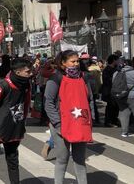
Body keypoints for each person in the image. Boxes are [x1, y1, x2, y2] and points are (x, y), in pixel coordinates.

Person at [44, 50, 94, 184]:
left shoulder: (83, 77)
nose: (76, 64)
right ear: (63, 63)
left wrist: (90, 119)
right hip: (60, 124)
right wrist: (58, 124)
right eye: (73, 61)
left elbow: (89, 99)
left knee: (79, 159)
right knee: (62, 159)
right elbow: (48, 103)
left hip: (80, 122)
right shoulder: (55, 79)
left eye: (77, 61)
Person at [0, 58, 33, 184]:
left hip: (14, 130)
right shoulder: (2, 86)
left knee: (13, 162)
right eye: (28, 71)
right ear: (18, 72)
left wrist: (21, 124)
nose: (31, 73)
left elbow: (25, 107)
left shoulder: (26, 85)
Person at [114, 60, 134, 139]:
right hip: (133, 96)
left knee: (124, 113)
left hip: (120, 96)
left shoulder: (116, 73)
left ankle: (124, 132)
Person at [102, 55, 120, 127]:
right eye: (117, 60)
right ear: (114, 60)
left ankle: (114, 120)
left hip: (115, 90)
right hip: (109, 91)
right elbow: (107, 81)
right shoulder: (107, 69)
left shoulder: (116, 69)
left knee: (116, 106)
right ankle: (108, 121)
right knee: (110, 107)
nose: (118, 62)